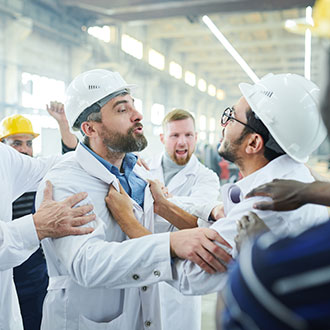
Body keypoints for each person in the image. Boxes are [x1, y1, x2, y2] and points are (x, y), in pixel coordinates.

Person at [35, 69, 231, 330]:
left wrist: (211, 209)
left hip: (142, 316)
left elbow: (159, 212)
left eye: (134, 106)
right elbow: (86, 263)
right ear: (90, 128)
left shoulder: (136, 171)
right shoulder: (66, 182)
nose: (137, 115)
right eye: (121, 109)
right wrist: (170, 244)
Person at [106, 72, 329, 298]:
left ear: (253, 142)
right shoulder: (293, 179)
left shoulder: (266, 204)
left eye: (231, 117)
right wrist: (165, 206)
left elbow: (190, 274)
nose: (224, 125)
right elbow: (212, 232)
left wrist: (129, 222)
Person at [136, 108, 220, 330]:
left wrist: (161, 202)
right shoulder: (142, 169)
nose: (182, 142)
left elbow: (197, 223)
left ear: (196, 137)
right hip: (140, 270)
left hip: (180, 280)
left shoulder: (206, 178)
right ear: (163, 138)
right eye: (175, 135)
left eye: (188, 135)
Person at [0, 138, 96, 330]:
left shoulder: (3, 156)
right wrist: (36, 226)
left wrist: (105, 152)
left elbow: (46, 167)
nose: (24, 149)